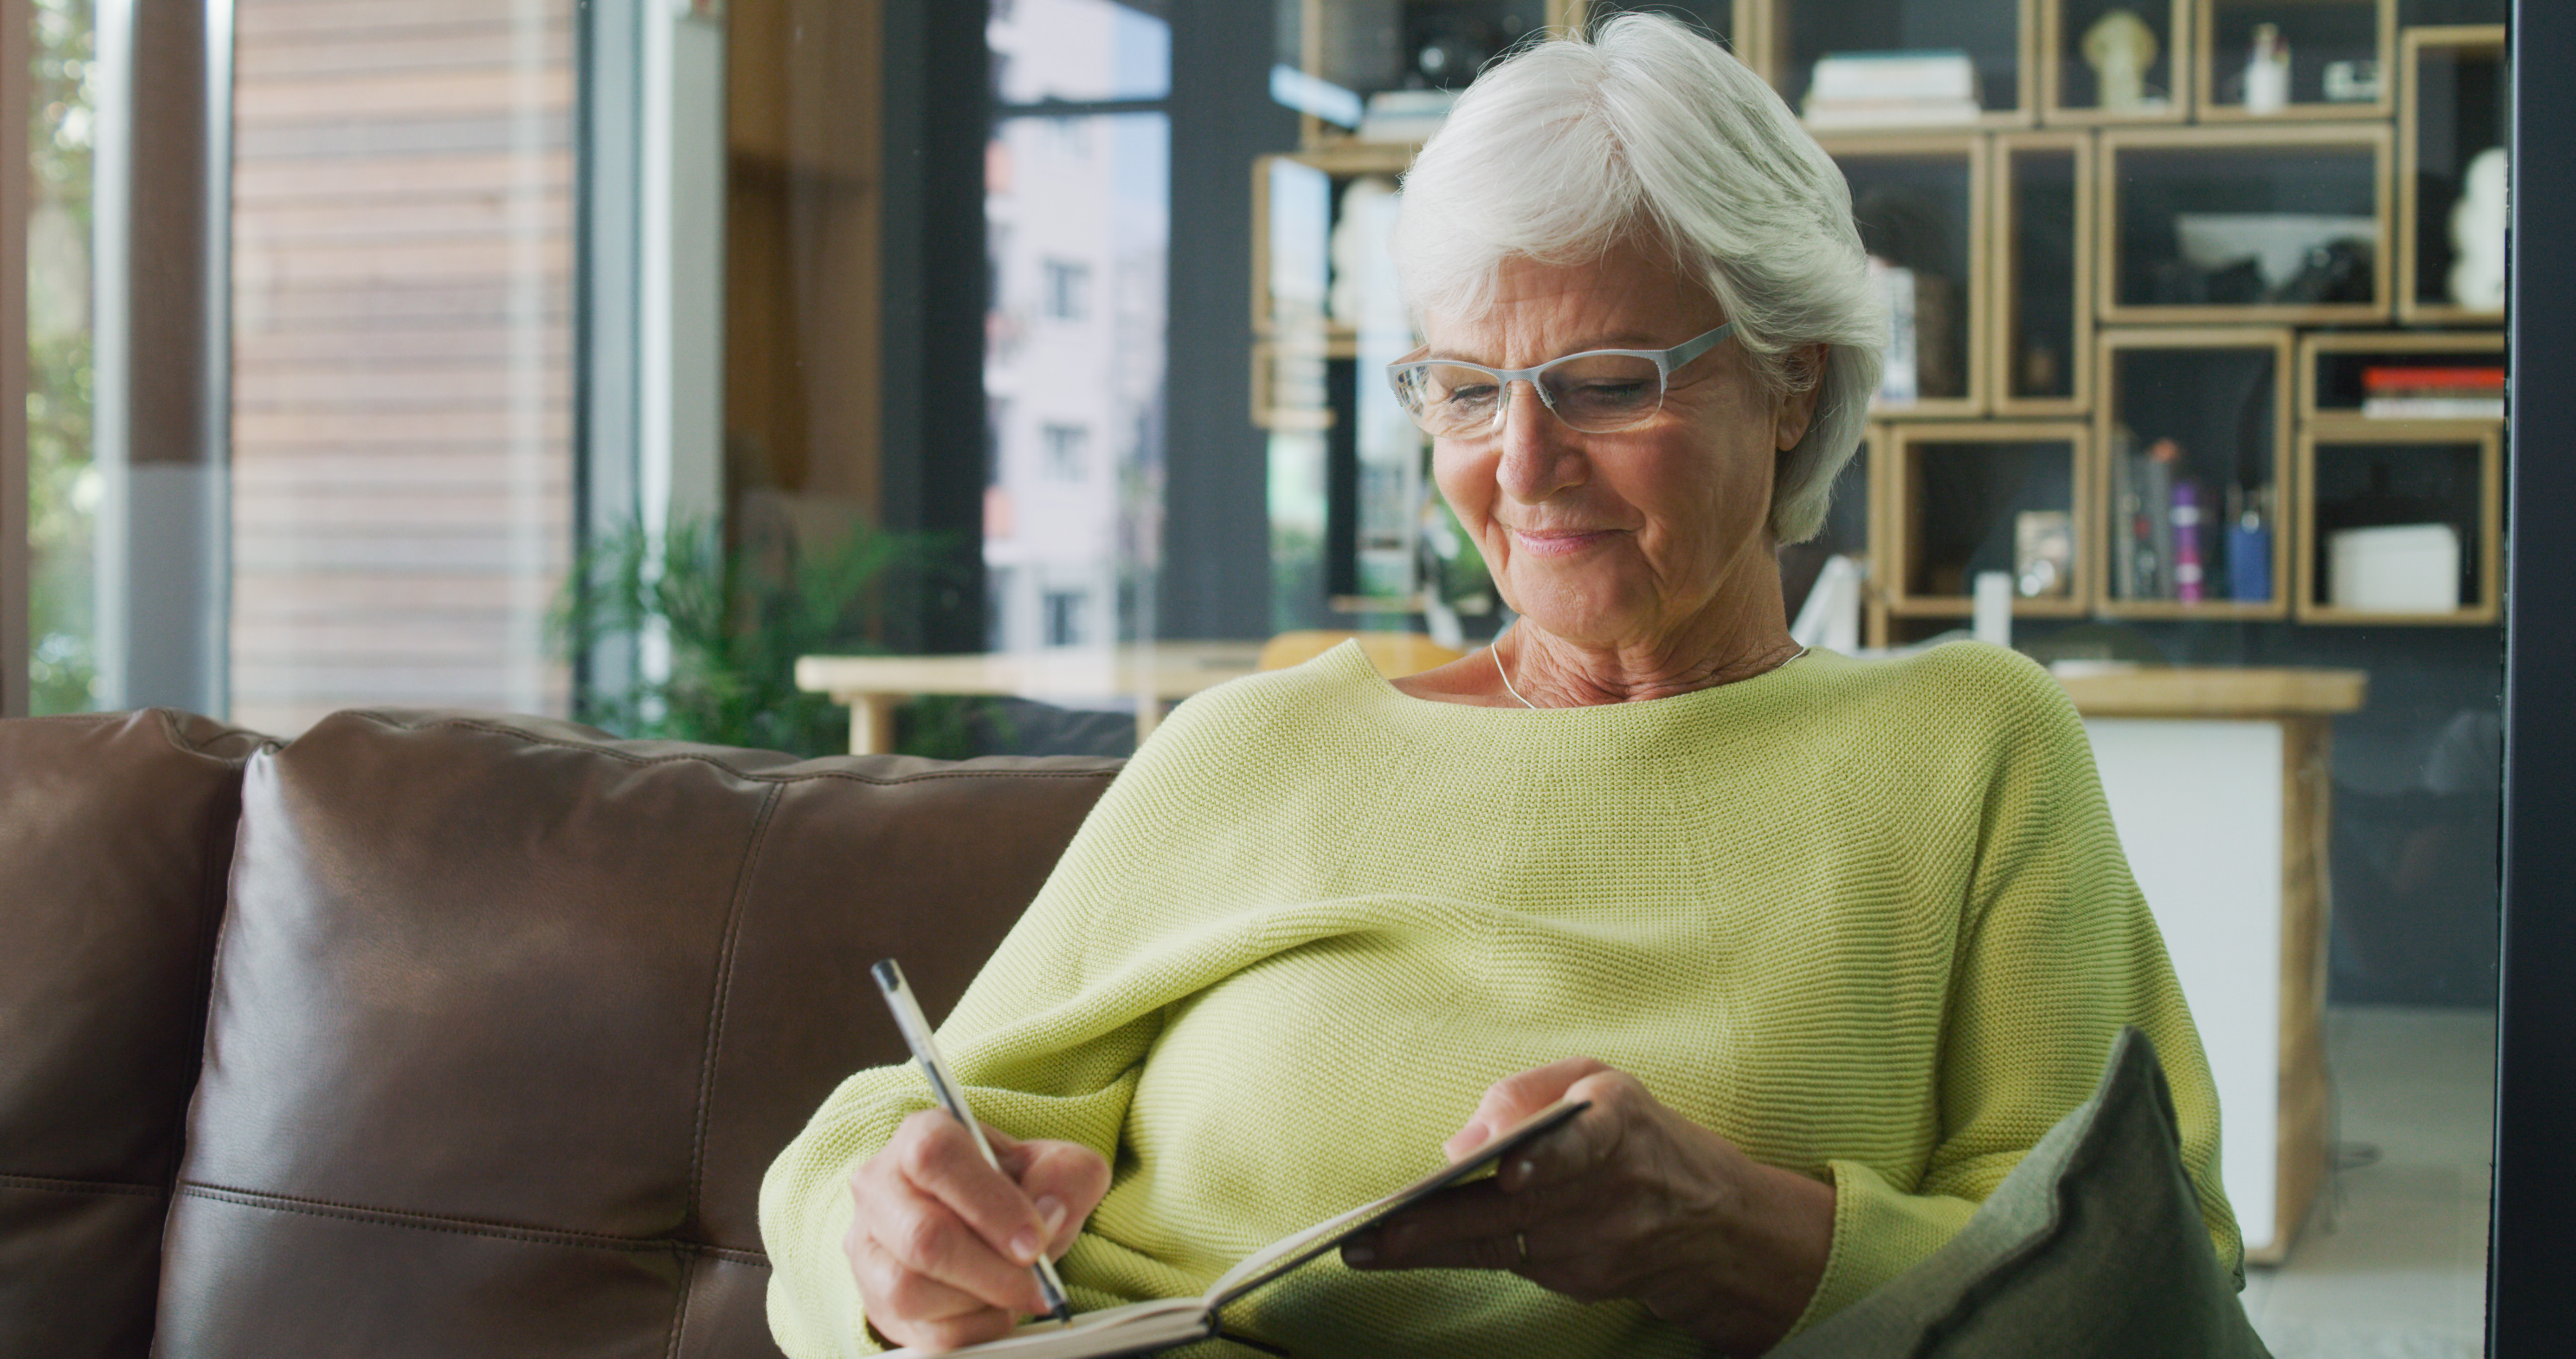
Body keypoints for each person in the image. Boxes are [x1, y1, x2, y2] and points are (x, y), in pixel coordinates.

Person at [760, 16, 2239, 1357]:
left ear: (1794, 383)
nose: (1520, 470)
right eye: (1466, 390)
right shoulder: (1256, 747)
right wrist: (883, 1245)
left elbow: (2143, 1285)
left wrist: (1732, 1232)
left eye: (1604, 382)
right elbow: (875, 1134)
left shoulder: (1966, 753)